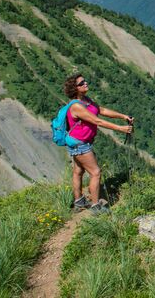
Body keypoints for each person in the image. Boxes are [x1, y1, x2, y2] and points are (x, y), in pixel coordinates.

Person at [62, 73, 134, 213]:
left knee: (78, 171)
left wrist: (122, 116)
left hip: (80, 142)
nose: (85, 83)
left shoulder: (86, 100)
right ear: (75, 88)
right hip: (80, 144)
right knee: (95, 172)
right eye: (81, 83)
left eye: (85, 81)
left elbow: (100, 110)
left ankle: (78, 202)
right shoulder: (76, 106)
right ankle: (96, 207)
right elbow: (97, 120)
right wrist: (120, 128)